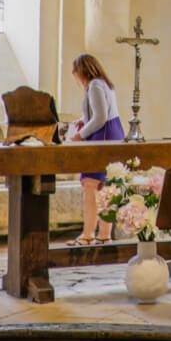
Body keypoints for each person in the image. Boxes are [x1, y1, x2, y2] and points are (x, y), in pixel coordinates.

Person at [64, 53, 124, 246]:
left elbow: (100, 117)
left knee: (91, 184)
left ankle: (89, 234)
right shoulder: (101, 84)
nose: (75, 76)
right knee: (103, 187)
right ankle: (103, 235)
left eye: (75, 71)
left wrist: (79, 135)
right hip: (109, 132)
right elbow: (97, 113)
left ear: (82, 70)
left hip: (104, 135)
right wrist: (82, 121)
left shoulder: (95, 85)